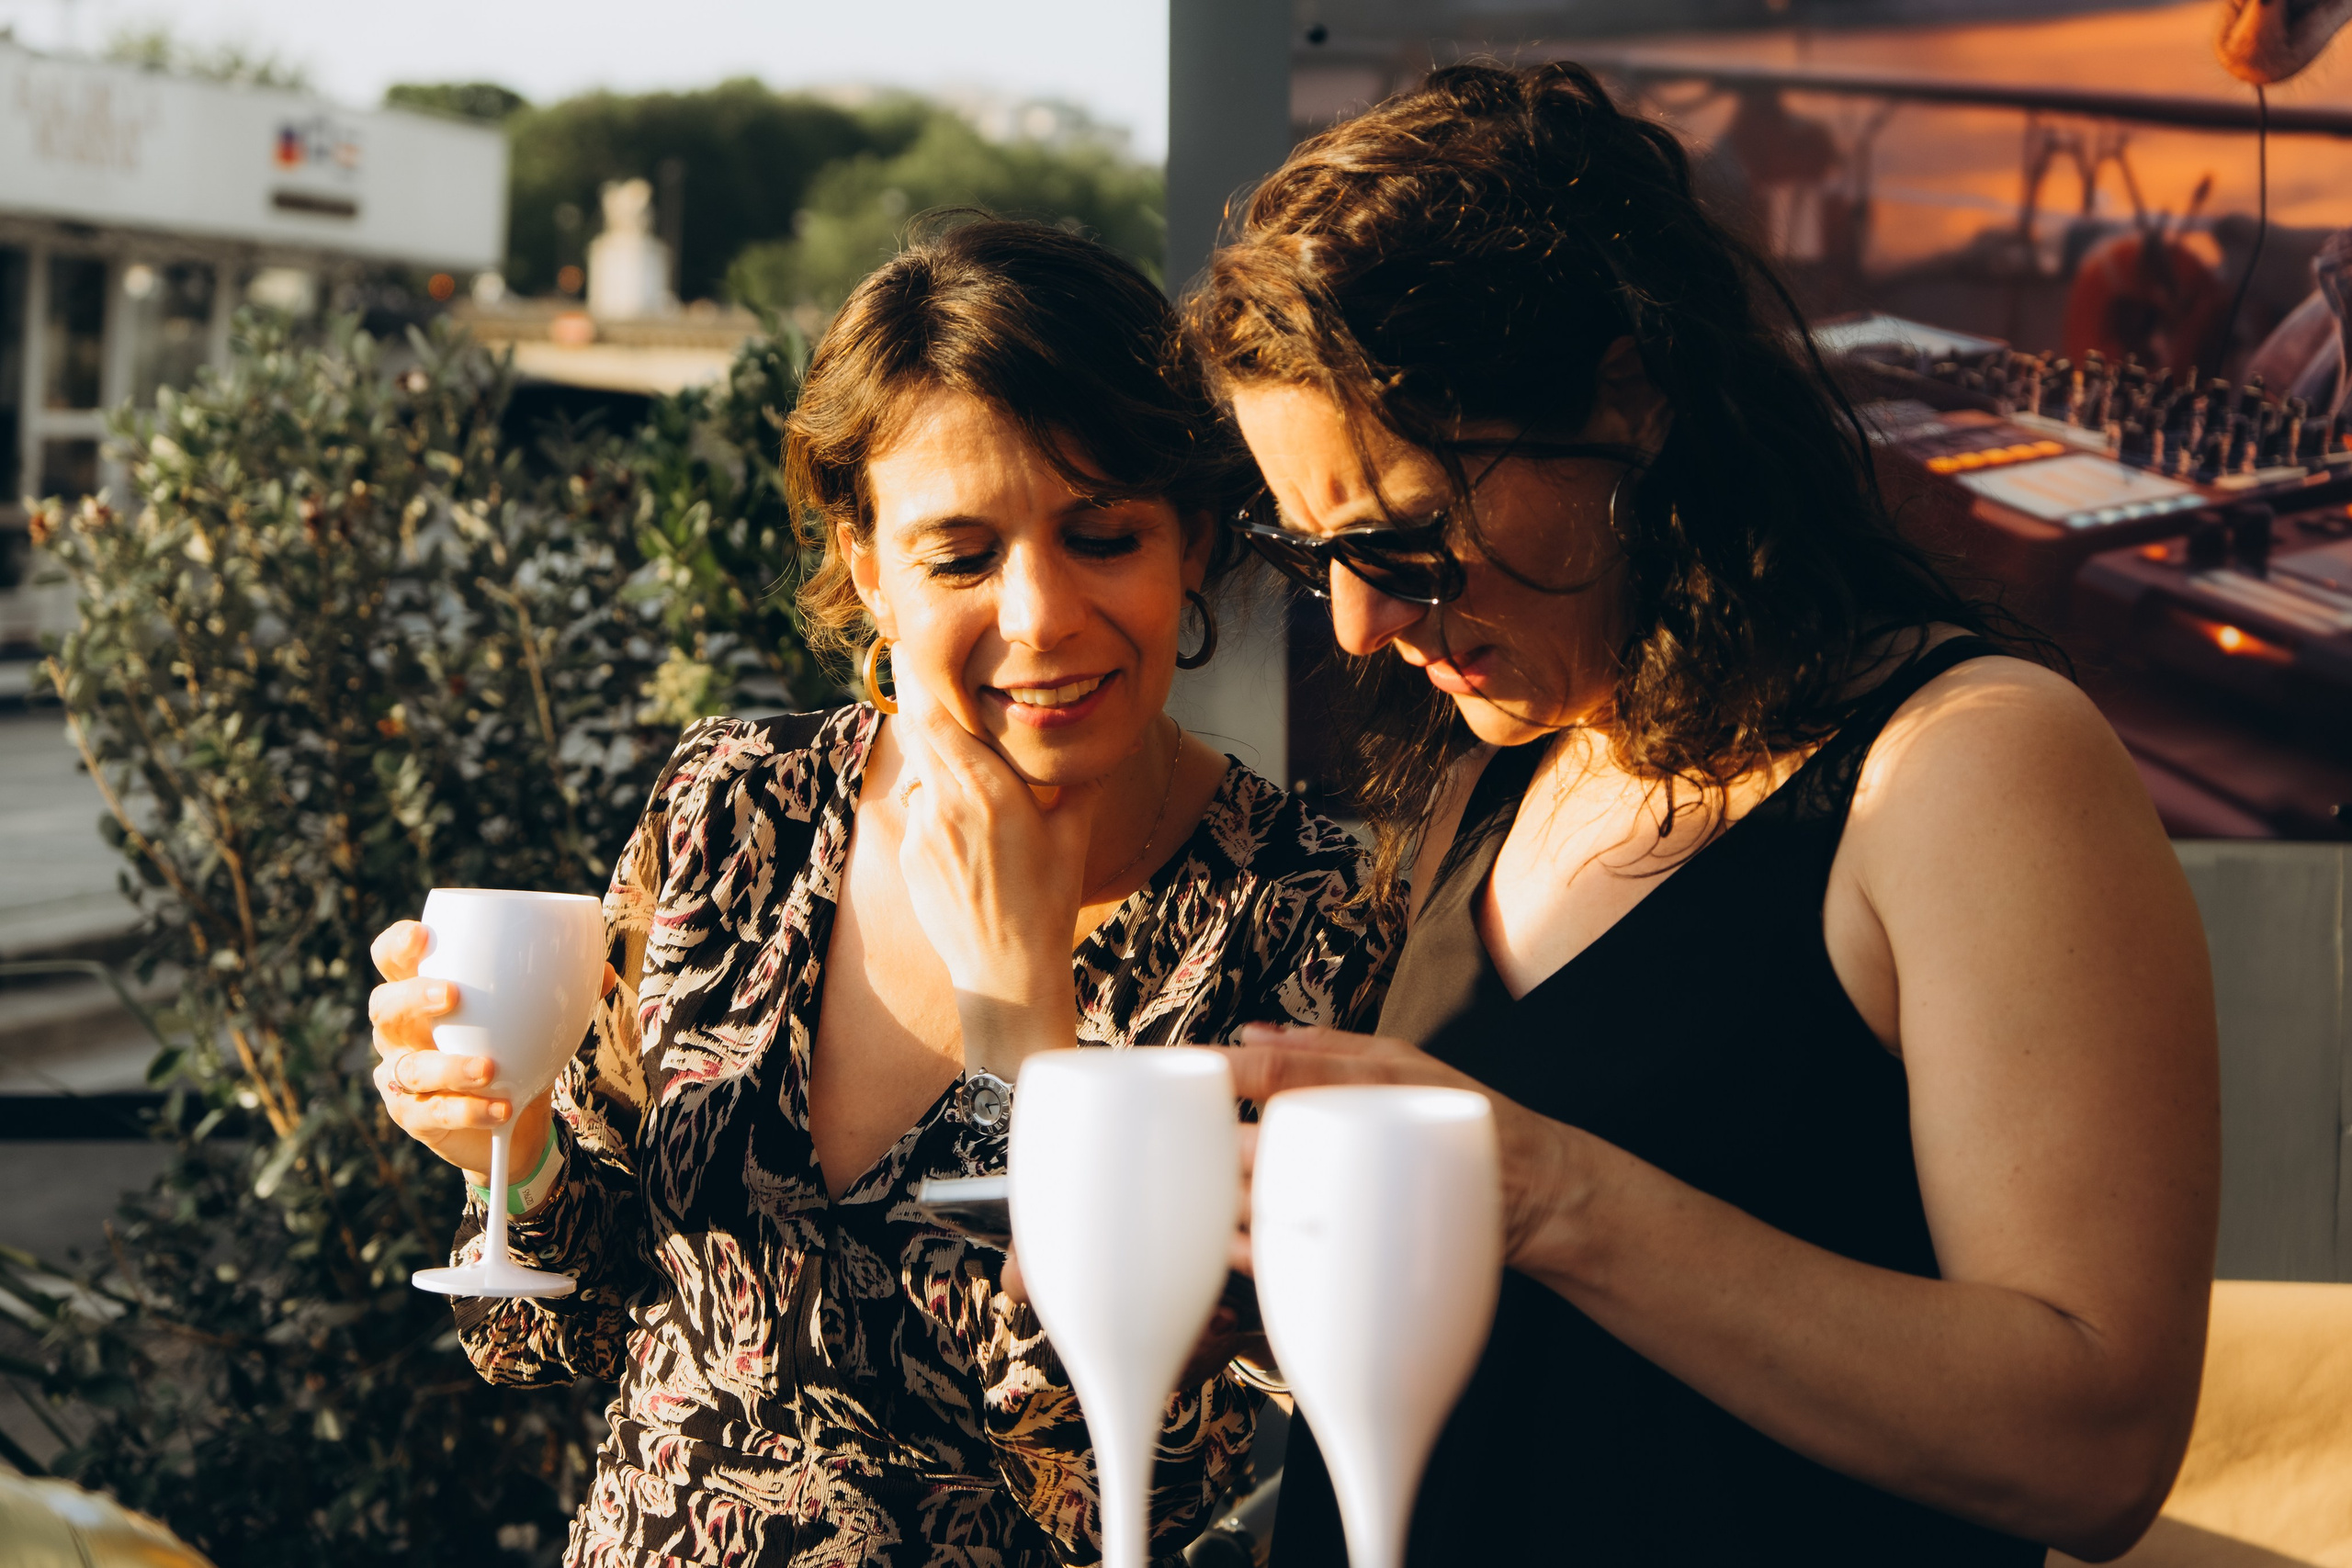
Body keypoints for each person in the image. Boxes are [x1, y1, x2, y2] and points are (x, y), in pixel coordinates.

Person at [1187, 63, 2220, 1566]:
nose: (1355, 627)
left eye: (1408, 537)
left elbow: (2096, 1444)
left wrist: (1547, 1194)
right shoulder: (1521, 756)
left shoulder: (1966, 766)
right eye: (1318, 552)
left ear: (1632, 399)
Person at [365, 219, 1398, 1567]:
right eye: (960, 557)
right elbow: (555, 1329)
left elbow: (1133, 1491)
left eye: (1101, 536)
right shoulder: (734, 808)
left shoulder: (1302, 912)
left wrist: (1027, 1040)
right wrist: (508, 1153)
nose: (1037, 615)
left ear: (1192, 542)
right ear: (868, 569)